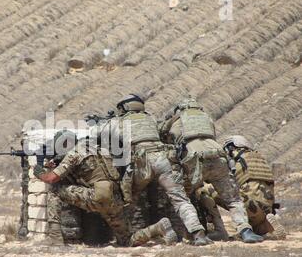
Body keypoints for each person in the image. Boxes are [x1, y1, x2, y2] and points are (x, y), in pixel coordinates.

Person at [99, 94, 212, 246]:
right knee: (180, 199)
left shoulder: (118, 121)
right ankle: (199, 235)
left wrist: (103, 122)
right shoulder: (151, 118)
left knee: (129, 199)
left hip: (140, 162)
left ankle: (129, 236)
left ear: (123, 107)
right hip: (163, 158)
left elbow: (98, 133)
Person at [33, 131, 178, 247]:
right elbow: (90, 172)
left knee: (55, 189)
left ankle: (55, 238)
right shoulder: (100, 150)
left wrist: (39, 172)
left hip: (98, 197)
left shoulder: (73, 154)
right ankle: (158, 227)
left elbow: (52, 178)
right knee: (127, 241)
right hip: (115, 199)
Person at [160, 97, 263, 243]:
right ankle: (245, 231)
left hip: (193, 159)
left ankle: (198, 234)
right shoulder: (206, 118)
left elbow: (163, 134)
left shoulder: (177, 119)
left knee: (182, 199)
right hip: (217, 156)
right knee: (233, 199)